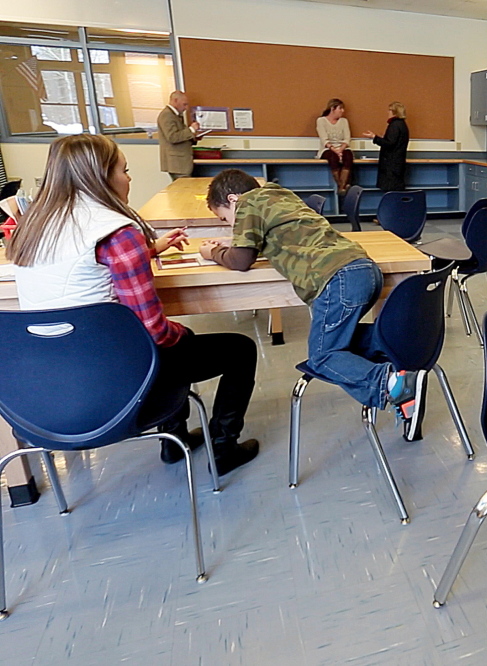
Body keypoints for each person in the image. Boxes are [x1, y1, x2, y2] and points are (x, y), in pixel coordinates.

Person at [9, 134, 259, 475]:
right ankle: (223, 447)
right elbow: (154, 330)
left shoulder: (34, 227)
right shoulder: (117, 232)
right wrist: (182, 333)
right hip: (115, 380)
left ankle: (175, 441)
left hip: (45, 388)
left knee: (162, 347)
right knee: (231, 348)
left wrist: (148, 251)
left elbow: (81, 273)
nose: (129, 178)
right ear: (101, 177)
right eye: (124, 170)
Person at [199, 169, 428, 440]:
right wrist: (235, 241)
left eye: (226, 218)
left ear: (234, 199)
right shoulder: (280, 194)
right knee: (338, 339)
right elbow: (281, 233)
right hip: (363, 269)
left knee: (323, 356)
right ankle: (395, 343)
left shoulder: (248, 203)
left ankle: (393, 382)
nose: (230, 226)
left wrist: (212, 252)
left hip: (337, 280)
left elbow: (240, 261)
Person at [362, 102, 409, 192]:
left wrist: (374, 137)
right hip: (397, 164)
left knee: (391, 191)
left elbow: (390, 143)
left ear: (394, 112)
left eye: (389, 110)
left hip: (391, 165)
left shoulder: (394, 125)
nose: (388, 112)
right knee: (396, 192)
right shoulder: (402, 125)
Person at [157, 90, 201, 180]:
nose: (186, 108)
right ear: (175, 101)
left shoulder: (175, 116)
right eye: (184, 104)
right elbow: (172, 137)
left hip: (180, 163)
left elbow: (180, 136)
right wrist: (191, 129)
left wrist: (194, 136)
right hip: (177, 164)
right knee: (183, 189)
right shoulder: (167, 115)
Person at [317, 98, 353, 195]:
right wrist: (335, 151)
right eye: (340, 109)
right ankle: (341, 185)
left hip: (342, 148)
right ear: (333, 109)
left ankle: (342, 187)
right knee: (333, 158)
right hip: (327, 149)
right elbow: (324, 140)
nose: (342, 111)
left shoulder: (344, 121)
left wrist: (341, 149)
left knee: (348, 156)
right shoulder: (321, 121)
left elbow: (347, 138)